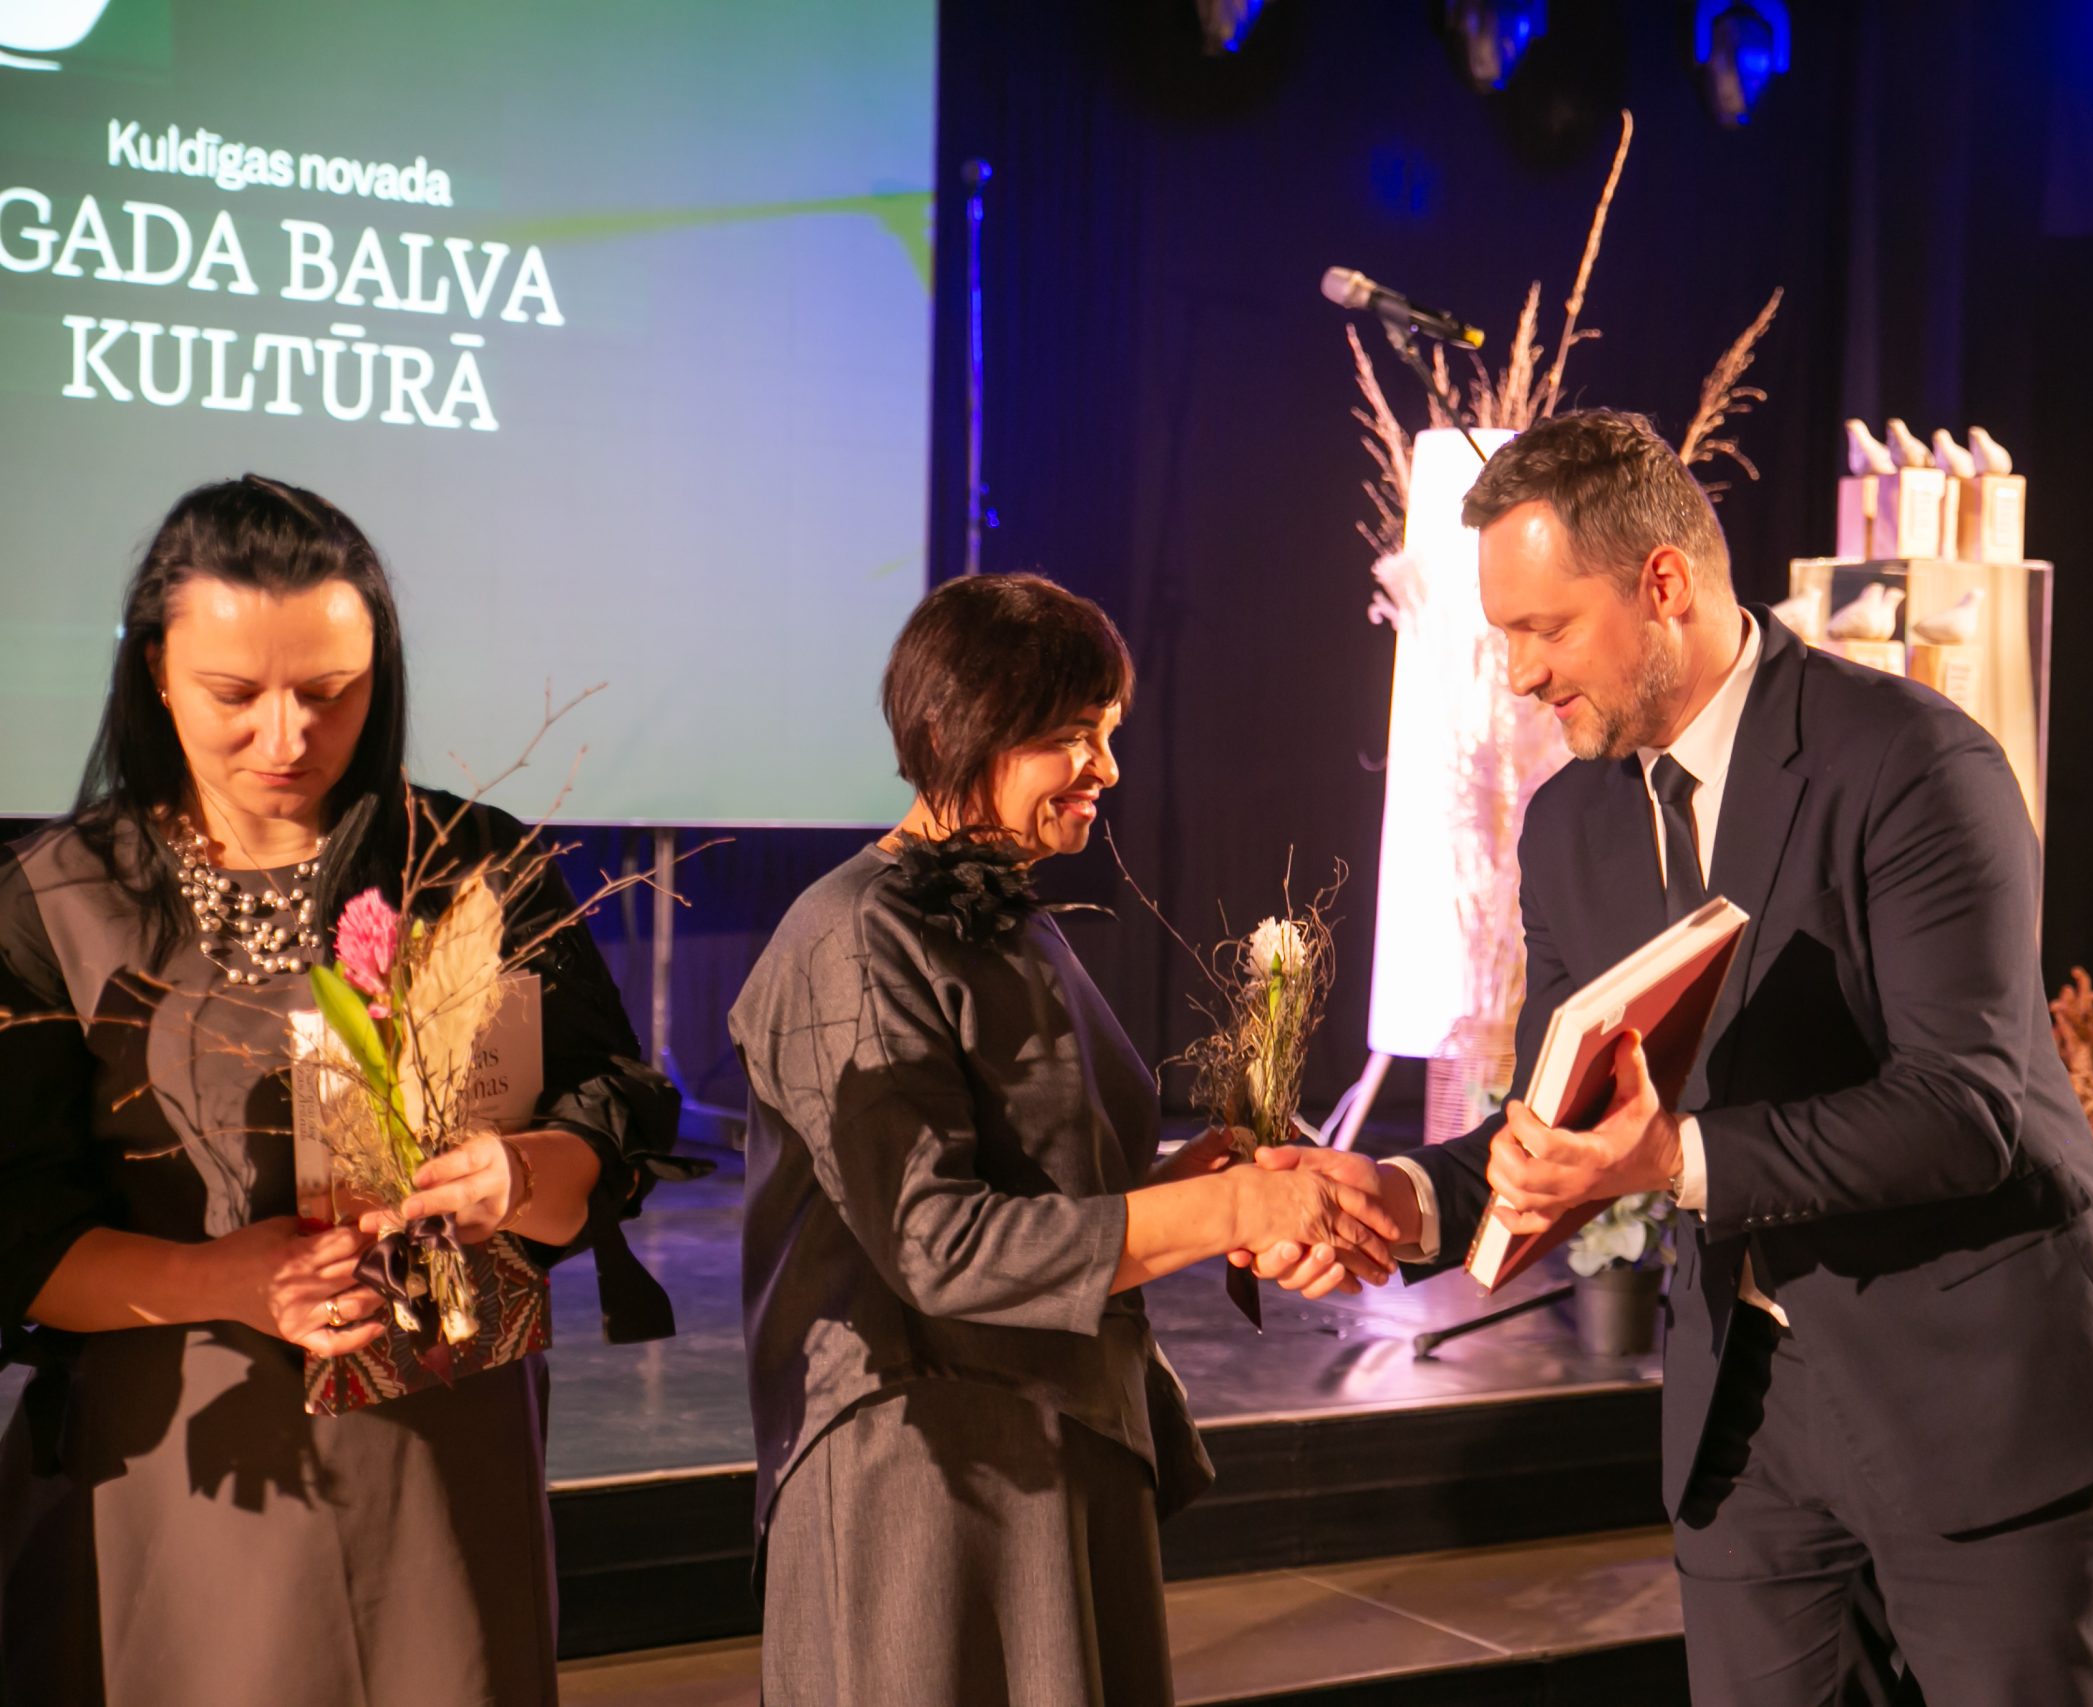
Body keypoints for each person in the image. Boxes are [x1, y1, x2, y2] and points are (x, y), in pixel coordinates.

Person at [1255, 412, 2093, 1705]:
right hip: (1745, 1420)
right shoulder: (1569, 823)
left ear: (1663, 584)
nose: (1520, 674)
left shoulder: (1914, 761)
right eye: (1503, 636)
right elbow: (1557, 1119)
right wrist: (1398, 1197)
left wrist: (1673, 1157)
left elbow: (1963, 1109)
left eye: (1545, 629)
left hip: (1978, 1384)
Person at [0, 476, 680, 1707]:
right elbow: (16, 1233)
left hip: (444, 1451)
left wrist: (523, 1174)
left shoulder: (472, 864)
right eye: (235, 695)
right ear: (156, 671)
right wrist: (232, 1281)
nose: (286, 738)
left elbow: (607, 1107)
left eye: (329, 694)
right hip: (189, 1469)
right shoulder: (59, 900)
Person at [732, 571, 1401, 1707]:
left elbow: (1043, 1186)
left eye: (1109, 732)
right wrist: (1227, 1210)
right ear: (956, 731)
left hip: (1054, 1434)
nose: (1107, 768)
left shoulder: (1008, 918)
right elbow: (936, 1242)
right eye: (1070, 736)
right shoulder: (850, 939)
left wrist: (1191, 1178)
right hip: (930, 1477)